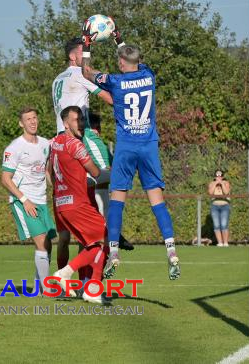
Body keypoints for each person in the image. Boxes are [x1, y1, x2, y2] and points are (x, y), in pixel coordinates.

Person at [83, 35, 181, 280]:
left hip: (126, 146)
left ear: (120, 63)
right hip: (148, 146)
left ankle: (114, 253)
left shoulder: (114, 81)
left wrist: (87, 45)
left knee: (117, 200)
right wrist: (118, 38)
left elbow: (86, 72)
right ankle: (171, 251)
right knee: (157, 201)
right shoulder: (149, 76)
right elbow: (133, 57)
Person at [51, 37, 132, 284]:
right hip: (78, 140)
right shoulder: (79, 75)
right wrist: (131, 98)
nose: (88, 61)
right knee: (107, 179)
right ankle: (111, 231)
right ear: (74, 57)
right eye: (83, 55)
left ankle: (73, 282)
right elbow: (109, 97)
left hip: (57, 144)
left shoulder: (57, 79)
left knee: (69, 232)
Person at [50, 106, 108, 304]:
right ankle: (68, 275)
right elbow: (96, 172)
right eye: (77, 120)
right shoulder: (76, 145)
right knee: (105, 238)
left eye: (82, 120)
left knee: (94, 244)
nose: (81, 123)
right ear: (66, 123)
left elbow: (50, 171)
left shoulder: (55, 142)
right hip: (77, 204)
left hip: (61, 204)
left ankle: (91, 288)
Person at [1, 107, 56, 293]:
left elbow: (47, 170)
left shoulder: (45, 144)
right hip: (23, 200)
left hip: (41, 200)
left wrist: (56, 187)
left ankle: (38, 288)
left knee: (47, 244)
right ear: (21, 123)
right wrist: (24, 200)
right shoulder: (14, 148)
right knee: (41, 242)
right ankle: (48, 289)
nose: (32, 122)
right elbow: (5, 179)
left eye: (34, 118)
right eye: (28, 119)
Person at [208, 169, 231, 247]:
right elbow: (210, 193)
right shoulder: (211, 183)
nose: (218, 178)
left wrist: (221, 183)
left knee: (224, 225)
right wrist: (215, 184)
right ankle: (220, 243)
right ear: (214, 177)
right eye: (217, 176)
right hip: (215, 206)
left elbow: (226, 192)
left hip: (225, 205)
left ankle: (225, 242)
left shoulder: (226, 183)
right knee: (216, 225)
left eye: (220, 176)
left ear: (223, 177)